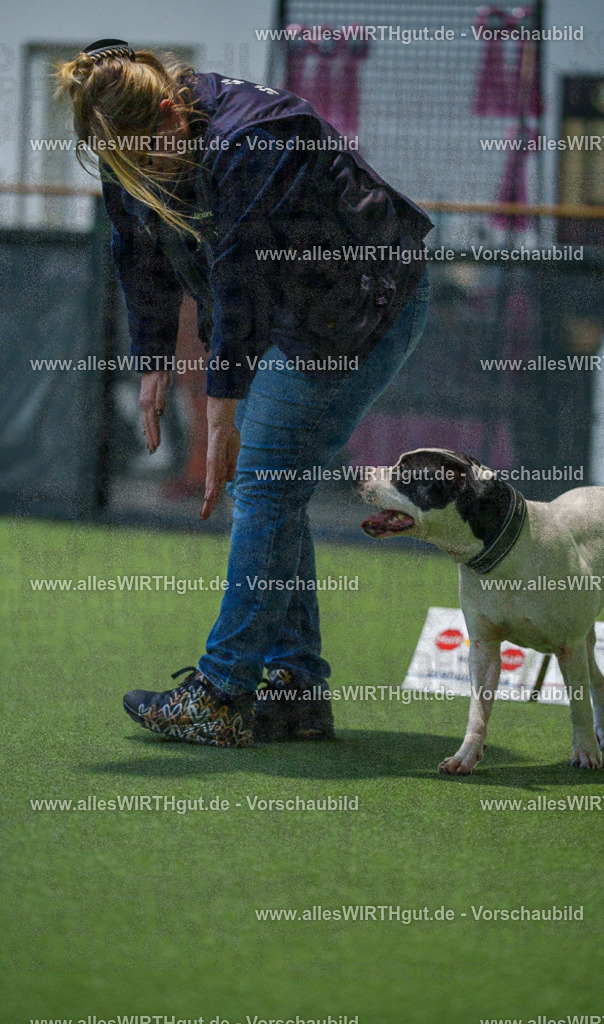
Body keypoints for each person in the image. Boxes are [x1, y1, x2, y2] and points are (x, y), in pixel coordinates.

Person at [56, 39, 432, 747]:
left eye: (146, 158)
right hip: (286, 307)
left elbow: (240, 281)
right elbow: (136, 253)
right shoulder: (121, 141)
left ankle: (224, 693)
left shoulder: (255, 135)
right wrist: (152, 361)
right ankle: (294, 690)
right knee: (272, 485)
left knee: (260, 481)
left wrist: (218, 409)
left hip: (359, 300)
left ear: (170, 113)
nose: (138, 175)